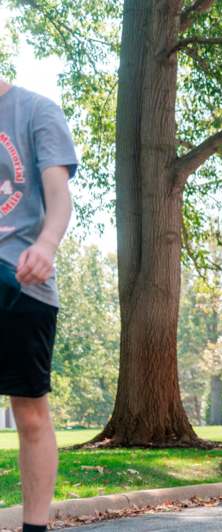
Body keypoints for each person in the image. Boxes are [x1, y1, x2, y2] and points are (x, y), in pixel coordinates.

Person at [0, 80, 77, 532]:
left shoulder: (36, 111)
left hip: (21, 281)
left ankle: (34, 527)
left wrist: (47, 245)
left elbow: (58, 194)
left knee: (29, 412)